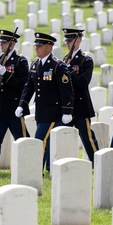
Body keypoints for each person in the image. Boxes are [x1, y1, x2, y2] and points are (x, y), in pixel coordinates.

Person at [16, 31, 72, 172]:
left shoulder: (58, 66)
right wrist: (22, 104)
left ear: (49, 47)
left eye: (40, 46)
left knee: (39, 140)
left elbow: (67, 90)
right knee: (46, 142)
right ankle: (48, 167)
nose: (37, 48)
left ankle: (34, 171)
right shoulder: (35, 65)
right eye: (36, 45)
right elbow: (29, 87)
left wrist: (67, 111)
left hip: (53, 112)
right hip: (41, 111)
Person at [0, 28, 30, 155]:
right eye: (1, 42)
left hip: (15, 107)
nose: (1, 44)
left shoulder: (20, 60)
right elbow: (0, 81)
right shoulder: (1, 58)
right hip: (1, 108)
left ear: (13, 43)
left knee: (23, 140)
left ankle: (30, 165)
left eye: (4, 42)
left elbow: (22, 84)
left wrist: (6, 74)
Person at [63, 27, 99, 162]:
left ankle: (97, 161)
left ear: (79, 40)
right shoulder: (64, 60)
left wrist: (69, 73)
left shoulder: (86, 60)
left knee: (88, 137)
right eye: (67, 40)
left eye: (71, 40)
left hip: (81, 105)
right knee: (62, 136)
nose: (68, 43)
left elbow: (83, 82)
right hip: (67, 107)